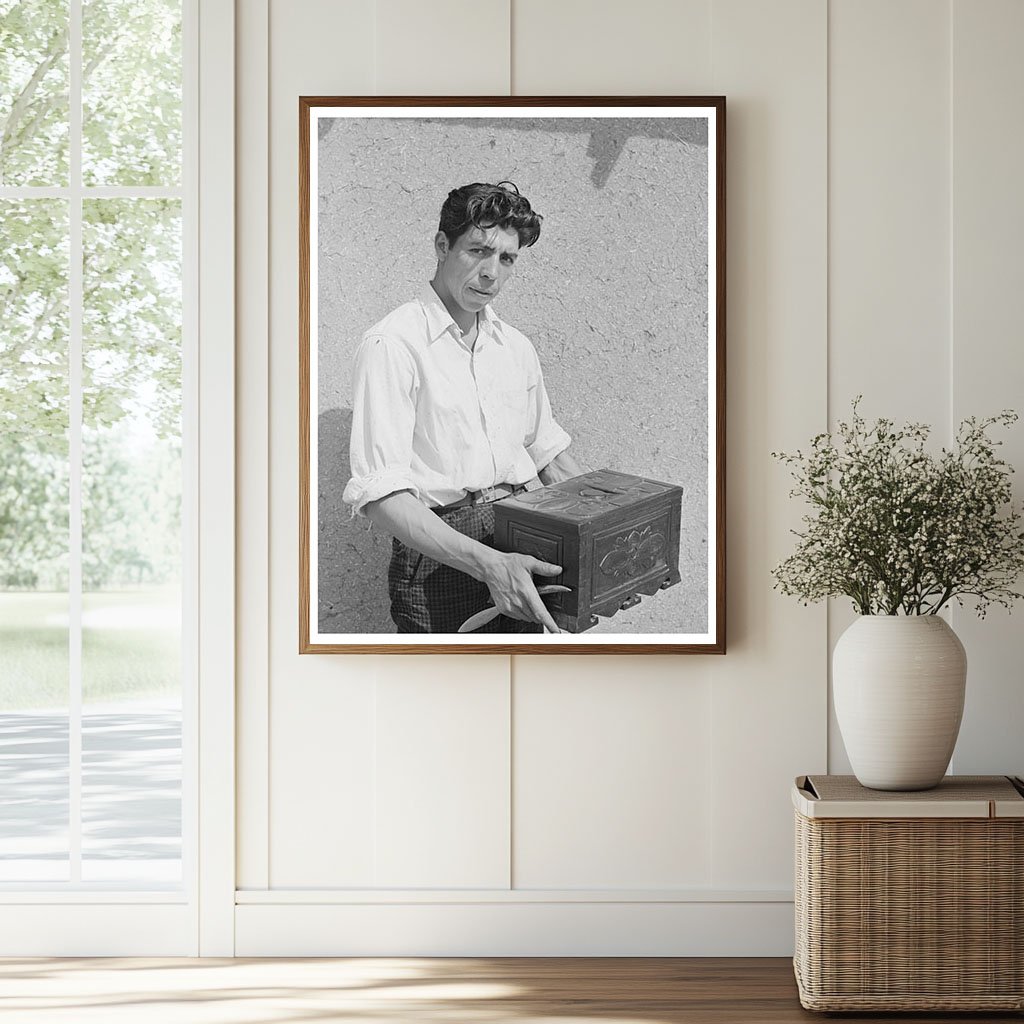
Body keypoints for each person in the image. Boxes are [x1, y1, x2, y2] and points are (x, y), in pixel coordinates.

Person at [343, 181, 582, 633]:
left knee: (528, 676)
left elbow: (548, 455)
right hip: (441, 559)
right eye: (478, 251)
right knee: (450, 680)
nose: (491, 273)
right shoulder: (392, 344)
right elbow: (382, 498)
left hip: (523, 538)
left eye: (507, 258)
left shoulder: (515, 347)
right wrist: (489, 564)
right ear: (442, 246)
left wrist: (607, 532)